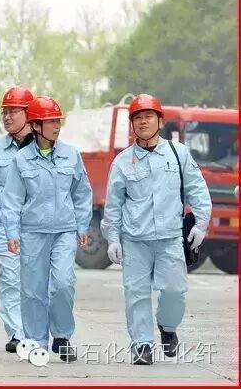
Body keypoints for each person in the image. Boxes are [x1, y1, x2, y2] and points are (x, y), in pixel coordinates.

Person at [100, 93, 211, 365]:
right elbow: (113, 204)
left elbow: (197, 189)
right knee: (135, 293)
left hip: (170, 238)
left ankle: (168, 327)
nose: (143, 122)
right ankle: (142, 344)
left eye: (148, 116)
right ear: (132, 124)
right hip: (135, 240)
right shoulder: (122, 162)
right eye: (138, 118)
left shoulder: (178, 154)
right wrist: (112, 238)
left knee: (175, 291)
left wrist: (201, 223)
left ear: (160, 121)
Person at [3, 96, 92, 363]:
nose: (56, 126)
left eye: (57, 121)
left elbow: (82, 193)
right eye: (50, 121)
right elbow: (12, 200)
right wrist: (12, 233)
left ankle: (62, 336)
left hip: (64, 231)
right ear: (36, 126)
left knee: (64, 284)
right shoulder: (21, 160)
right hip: (32, 232)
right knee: (33, 290)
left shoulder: (71, 155)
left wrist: (82, 225)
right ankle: (36, 342)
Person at [0, 86, 33, 353]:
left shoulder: (43, 148)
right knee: (11, 280)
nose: (7, 117)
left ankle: (37, 330)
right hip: (5, 227)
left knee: (37, 282)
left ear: (29, 114)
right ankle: (16, 333)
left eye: (14, 111)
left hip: (37, 228)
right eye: (5, 112)